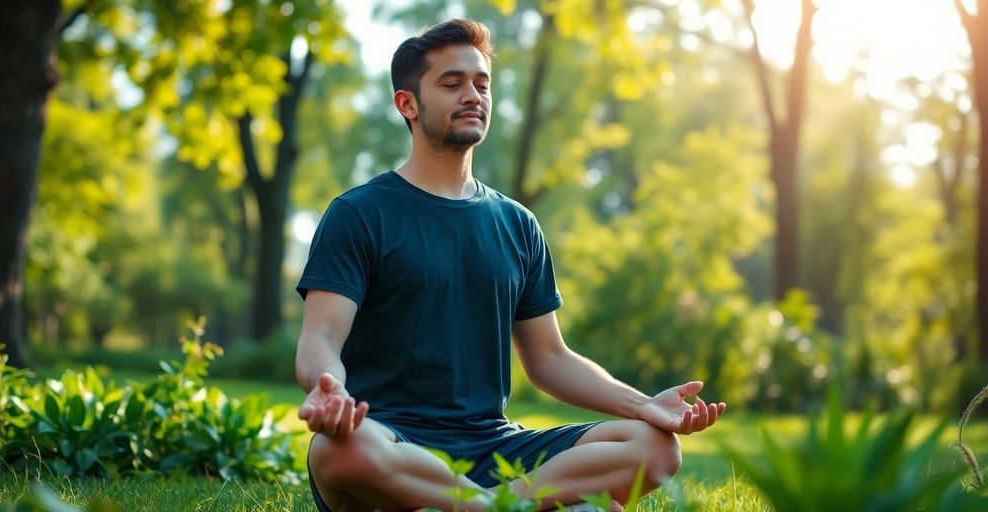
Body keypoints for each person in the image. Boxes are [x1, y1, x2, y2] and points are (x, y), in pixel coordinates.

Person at [294, 18, 726, 512]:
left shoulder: (516, 223)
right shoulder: (359, 214)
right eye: (451, 84)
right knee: (335, 451)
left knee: (654, 447)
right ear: (407, 104)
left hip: (494, 445)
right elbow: (321, 337)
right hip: (393, 442)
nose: (473, 95)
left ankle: (478, 505)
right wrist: (329, 387)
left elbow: (549, 359)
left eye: (482, 84)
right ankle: (507, 507)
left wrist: (644, 405)